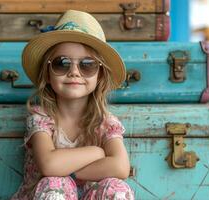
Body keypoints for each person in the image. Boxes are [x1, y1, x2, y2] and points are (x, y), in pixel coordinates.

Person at [11, 10, 134, 200]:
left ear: (100, 75)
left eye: (87, 64)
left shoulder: (105, 122)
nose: (74, 72)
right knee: (54, 183)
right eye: (62, 63)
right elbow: (49, 165)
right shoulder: (41, 118)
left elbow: (120, 167)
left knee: (117, 187)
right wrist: (97, 152)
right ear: (48, 73)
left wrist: (72, 172)